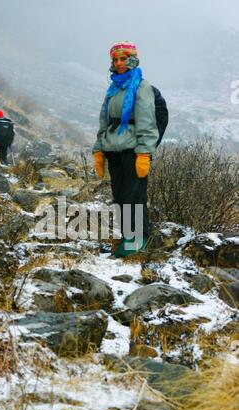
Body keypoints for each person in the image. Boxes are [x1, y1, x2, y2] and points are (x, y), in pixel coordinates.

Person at [92, 41, 159, 258]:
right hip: (113, 149)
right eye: (115, 59)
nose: (119, 63)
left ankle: (138, 240)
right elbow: (105, 120)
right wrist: (99, 150)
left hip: (132, 150)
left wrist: (144, 153)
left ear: (132, 59)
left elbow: (147, 121)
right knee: (120, 196)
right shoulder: (113, 89)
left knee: (134, 195)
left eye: (123, 58)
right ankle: (127, 236)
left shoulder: (141, 87)